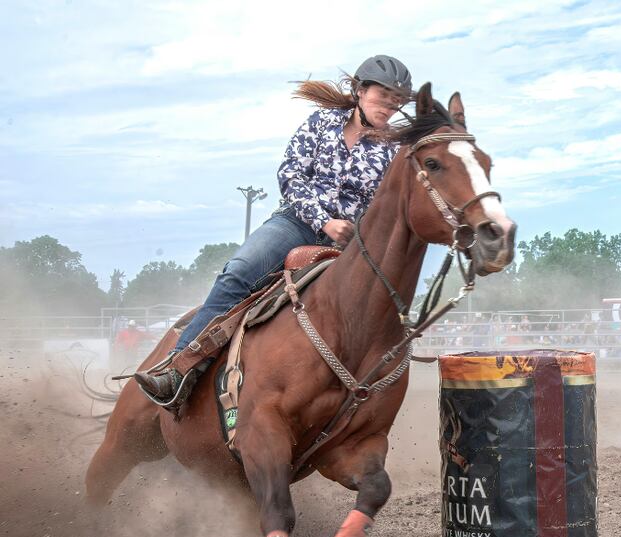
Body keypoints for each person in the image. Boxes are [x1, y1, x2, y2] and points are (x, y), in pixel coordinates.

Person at [135, 56, 413, 403]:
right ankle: (178, 367)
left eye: (397, 100)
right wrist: (323, 220)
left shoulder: (393, 150)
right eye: (383, 95)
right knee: (238, 273)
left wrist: (358, 230)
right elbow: (291, 175)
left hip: (351, 243)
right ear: (359, 90)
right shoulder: (321, 123)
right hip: (296, 223)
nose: (390, 105)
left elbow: (387, 206)